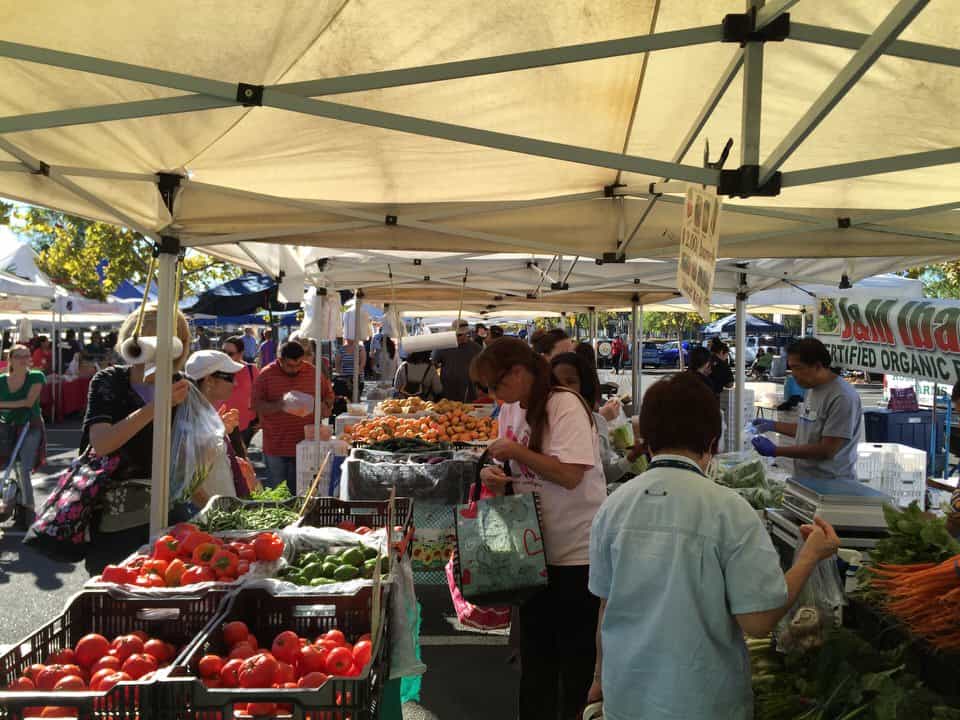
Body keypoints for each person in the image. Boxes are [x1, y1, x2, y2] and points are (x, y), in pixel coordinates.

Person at [587, 372, 841, 720]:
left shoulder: (614, 506)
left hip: (627, 695)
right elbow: (758, 621)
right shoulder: (729, 509)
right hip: (702, 700)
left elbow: (605, 607)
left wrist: (599, 679)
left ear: (645, 438)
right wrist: (809, 555)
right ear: (713, 441)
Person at [473, 338, 606, 720]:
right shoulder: (512, 410)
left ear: (518, 372)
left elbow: (568, 475)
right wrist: (498, 478)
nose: (495, 395)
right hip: (531, 552)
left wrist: (516, 453)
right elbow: (522, 475)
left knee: (575, 660)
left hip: (575, 552)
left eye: (496, 385)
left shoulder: (563, 405)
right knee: (536, 660)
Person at [26, 306, 192, 564]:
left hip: (171, 512)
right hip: (117, 520)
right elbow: (102, 443)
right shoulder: (109, 380)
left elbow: (190, 451)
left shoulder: (181, 384)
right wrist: (157, 406)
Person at [751, 338, 863, 481]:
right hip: (805, 478)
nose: (793, 374)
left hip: (831, 484)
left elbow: (827, 450)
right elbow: (808, 429)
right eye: (791, 368)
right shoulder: (812, 388)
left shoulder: (842, 397)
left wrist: (776, 451)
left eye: (798, 368)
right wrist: (772, 425)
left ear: (817, 366)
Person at [253, 341, 333, 493]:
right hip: (276, 446)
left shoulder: (312, 372)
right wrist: (279, 405)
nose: (295, 369)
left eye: (299, 364)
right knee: (277, 492)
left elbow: (329, 395)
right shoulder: (266, 375)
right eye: (290, 366)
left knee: (301, 491)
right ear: (280, 360)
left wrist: (326, 406)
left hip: (305, 445)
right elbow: (256, 405)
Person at [184, 350, 256, 499]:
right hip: (210, 515)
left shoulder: (202, 413)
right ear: (209, 380)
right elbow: (191, 480)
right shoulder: (193, 418)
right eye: (230, 378)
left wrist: (221, 430)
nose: (235, 383)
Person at [552, 351, 628, 484]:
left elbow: (603, 475)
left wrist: (631, 458)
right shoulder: (539, 422)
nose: (562, 388)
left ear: (585, 386)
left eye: (570, 382)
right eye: (555, 382)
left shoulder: (597, 422)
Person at [0, 344, 46, 528]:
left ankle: (29, 509)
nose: (23, 359)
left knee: (24, 468)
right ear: (10, 359)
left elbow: (28, 402)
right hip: (6, 426)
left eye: (26, 356)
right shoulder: (2, 380)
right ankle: (14, 501)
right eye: (18, 356)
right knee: (9, 465)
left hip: (30, 425)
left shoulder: (36, 376)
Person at [221, 335, 260, 448]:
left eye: (230, 353)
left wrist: (262, 421)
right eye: (223, 352)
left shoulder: (251, 370)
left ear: (240, 353)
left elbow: (260, 395)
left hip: (245, 425)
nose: (226, 356)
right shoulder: (216, 370)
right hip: (220, 424)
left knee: (241, 461)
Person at [432, 319, 481, 402]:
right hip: (447, 389)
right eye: (455, 334)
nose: (457, 337)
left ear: (466, 333)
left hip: (468, 390)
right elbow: (434, 364)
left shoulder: (476, 348)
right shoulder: (444, 346)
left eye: (460, 335)